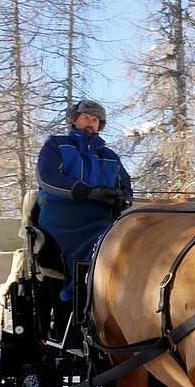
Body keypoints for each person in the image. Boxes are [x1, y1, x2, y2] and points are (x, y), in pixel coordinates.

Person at [36, 99, 133, 302]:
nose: (91, 122)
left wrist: (121, 199)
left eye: (95, 119)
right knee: (100, 246)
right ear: (74, 120)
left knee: (127, 241)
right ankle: (74, 299)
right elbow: (47, 177)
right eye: (86, 117)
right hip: (62, 213)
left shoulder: (110, 156)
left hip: (100, 216)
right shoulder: (57, 145)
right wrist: (82, 191)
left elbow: (124, 182)